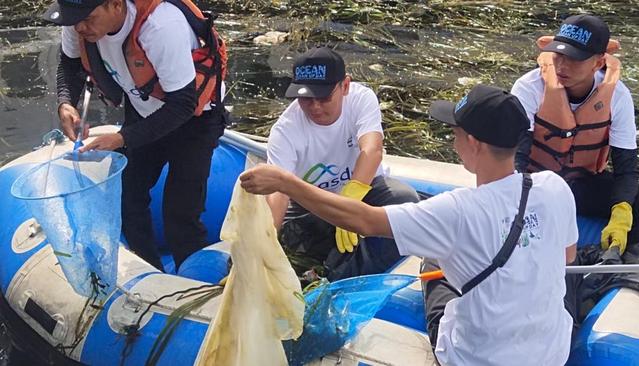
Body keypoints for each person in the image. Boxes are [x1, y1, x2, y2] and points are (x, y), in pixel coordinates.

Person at [241, 84, 578, 365]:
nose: (453, 140)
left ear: (473, 142)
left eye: (455, 132)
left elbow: (363, 220)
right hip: (551, 353)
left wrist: (286, 182)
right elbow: (566, 258)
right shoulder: (554, 187)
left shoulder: (456, 211)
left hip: (479, 357)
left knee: (431, 263)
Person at [44, 0, 228, 271]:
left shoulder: (161, 26)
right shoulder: (78, 24)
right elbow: (69, 64)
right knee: (128, 197)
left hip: (195, 119)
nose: (80, 27)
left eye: (88, 18)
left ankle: (197, 284)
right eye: (74, 20)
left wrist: (122, 139)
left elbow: (184, 104)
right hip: (143, 108)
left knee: (181, 213)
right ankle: (150, 274)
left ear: (116, 5)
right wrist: (65, 103)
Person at [511, 14, 639, 326]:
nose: (562, 66)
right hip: (535, 185)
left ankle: (635, 277)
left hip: (581, 182)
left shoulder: (618, 96)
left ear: (599, 61)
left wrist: (621, 210)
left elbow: (626, 169)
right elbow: (515, 161)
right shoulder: (529, 87)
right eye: (559, 55)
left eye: (575, 59)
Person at [265, 46, 419, 281]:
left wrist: (350, 200)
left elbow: (372, 149)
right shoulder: (285, 131)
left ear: (344, 86)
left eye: (324, 98)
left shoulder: (361, 99)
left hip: (364, 192)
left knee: (404, 201)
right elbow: (279, 192)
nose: (315, 107)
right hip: (312, 202)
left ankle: (338, 277)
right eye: (306, 98)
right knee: (291, 239)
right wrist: (265, 239)